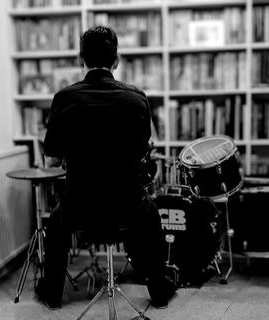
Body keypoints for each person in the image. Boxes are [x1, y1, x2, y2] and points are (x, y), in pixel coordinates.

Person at [35, 26, 176, 310]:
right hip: (128, 206)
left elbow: (51, 157)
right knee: (150, 217)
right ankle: (159, 289)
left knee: (56, 224)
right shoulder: (137, 98)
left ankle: (51, 293)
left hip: (81, 208)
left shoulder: (64, 98)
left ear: (80, 59)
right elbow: (143, 151)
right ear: (117, 60)